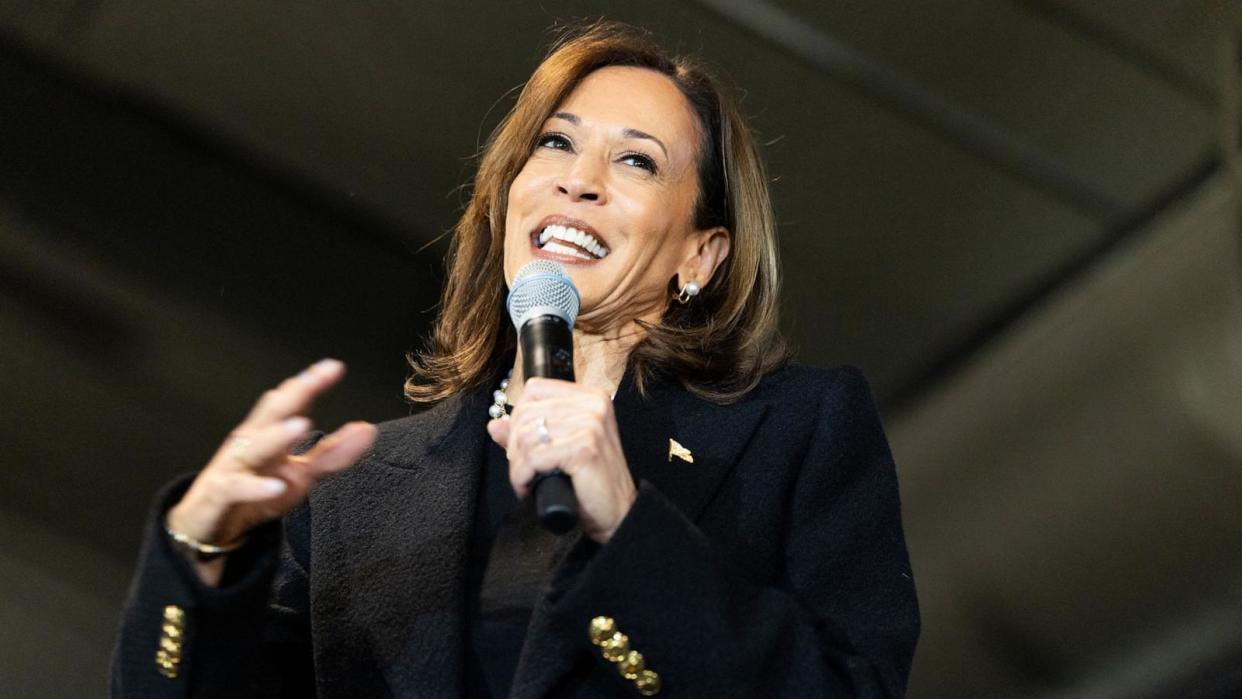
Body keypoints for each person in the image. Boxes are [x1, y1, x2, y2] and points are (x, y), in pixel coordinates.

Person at [111, 21, 919, 698]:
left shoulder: (798, 432)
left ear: (700, 255)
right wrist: (197, 555)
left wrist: (630, 529)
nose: (579, 181)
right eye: (555, 144)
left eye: (636, 160)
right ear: (507, 197)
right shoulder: (353, 494)